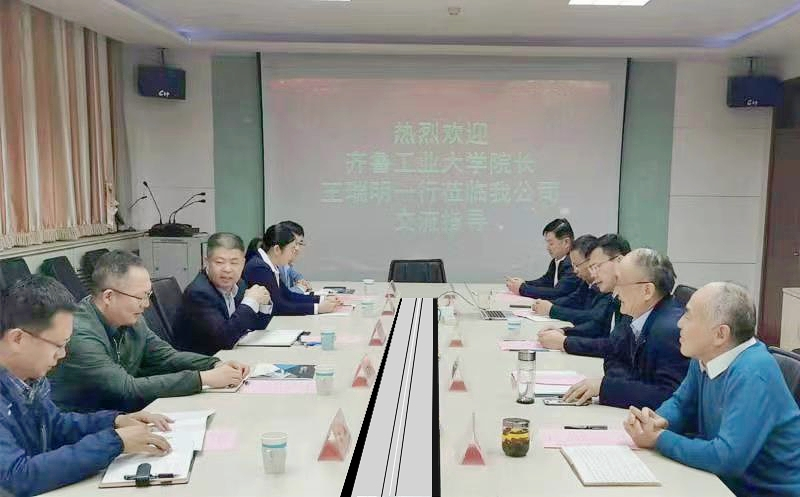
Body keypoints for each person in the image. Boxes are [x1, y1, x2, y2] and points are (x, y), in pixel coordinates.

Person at [0, 276, 173, 497]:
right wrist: (114, 442)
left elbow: (56, 426)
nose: (62, 354)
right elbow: (16, 477)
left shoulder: (29, 376)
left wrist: (114, 421)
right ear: (17, 339)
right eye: (58, 345)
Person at [625, 282, 800, 497]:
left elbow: (727, 458)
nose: (679, 323)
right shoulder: (705, 356)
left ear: (720, 334)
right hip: (726, 484)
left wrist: (659, 438)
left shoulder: (753, 372)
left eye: (688, 316)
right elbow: (681, 404)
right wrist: (656, 421)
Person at [48, 250, 249, 413]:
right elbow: (126, 388)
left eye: (148, 295)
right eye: (140, 297)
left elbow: (167, 357)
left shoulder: (131, 319)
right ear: (109, 296)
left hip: (123, 415)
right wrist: (204, 378)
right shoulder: (79, 333)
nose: (146, 305)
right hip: (86, 426)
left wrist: (214, 364)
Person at [563, 248, 689, 409]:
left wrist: (606, 387)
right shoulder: (635, 314)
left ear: (647, 291)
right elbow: (613, 354)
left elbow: (668, 396)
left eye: (620, 282)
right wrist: (628, 384)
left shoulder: (670, 330)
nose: (616, 291)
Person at [173, 232, 273, 355]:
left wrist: (263, 304)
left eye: (234, 263)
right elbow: (224, 340)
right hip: (206, 361)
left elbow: (254, 326)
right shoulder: (199, 293)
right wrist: (250, 302)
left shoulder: (239, 285)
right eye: (219, 262)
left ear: (243, 263)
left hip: (231, 356)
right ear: (206, 262)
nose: (227, 269)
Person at [538, 234, 630, 358]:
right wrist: (564, 332)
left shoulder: (633, 299)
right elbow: (598, 326)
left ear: (619, 261)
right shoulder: (615, 296)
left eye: (597, 266)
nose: (594, 274)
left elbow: (615, 346)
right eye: (591, 267)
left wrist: (565, 342)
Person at [244, 223, 341, 315]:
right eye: (292, 249)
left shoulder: (270, 264)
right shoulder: (259, 268)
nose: (294, 253)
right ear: (277, 249)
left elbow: (288, 295)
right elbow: (278, 306)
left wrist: (321, 299)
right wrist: (317, 308)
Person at [532, 235, 605, 325]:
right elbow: (573, 300)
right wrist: (546, 304)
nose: (575, 270)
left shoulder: (605, 288)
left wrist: (552, 310)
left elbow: (591, 317)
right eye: (573, 265)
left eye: (577, 265)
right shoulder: (586, 282)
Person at [505, 218, 581, 300]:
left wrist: (522, 288)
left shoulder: (574, 264)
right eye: (547, 243)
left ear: (566, 242)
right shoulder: (556, 260)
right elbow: (546, 281)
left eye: (551, 243)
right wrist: (524, 283)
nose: (547, 248)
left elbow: (558, 293)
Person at [279, 220, 313, 294]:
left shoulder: (286, 264)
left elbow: (297, 275)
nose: (297, 248)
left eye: (300, 243)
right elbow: (280, 295)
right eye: (294, 243)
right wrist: (300, 288)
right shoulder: (276, 265)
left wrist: (302, 281)